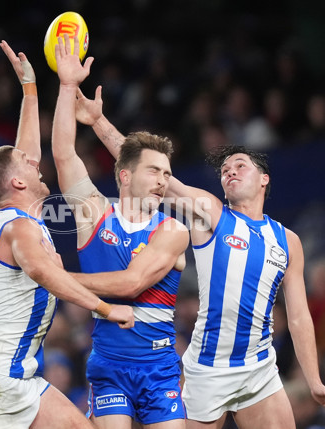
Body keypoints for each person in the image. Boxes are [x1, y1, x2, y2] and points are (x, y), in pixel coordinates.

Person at [73, 85, 325, 428]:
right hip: (206, 369)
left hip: (258, 368)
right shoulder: (211, 214)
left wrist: (314, 380)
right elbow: (148, 171)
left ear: (264, 179)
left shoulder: (288, 241)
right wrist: (98, 122)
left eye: (240, 165)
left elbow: (300, 317)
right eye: (225, 169)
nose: (229, 171)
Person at [0, 40, 134, 429]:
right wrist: (104, 307)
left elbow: (24, 149)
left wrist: (30, 90)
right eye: (27, 165)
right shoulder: (18, 227)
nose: (36, 164)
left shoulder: (19, 209)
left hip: (14, 376)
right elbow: (42, 272)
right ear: (18, 181)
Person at [51, 35, 189, 429]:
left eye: (167, 173)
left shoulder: (174, 229)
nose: (163, 181)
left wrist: (56, 278)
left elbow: (132, 283)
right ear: (125, 175)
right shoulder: (95, 214)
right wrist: (65, 86)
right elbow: (63, 154)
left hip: (160, 367)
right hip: (110, 365)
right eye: (154, 171)